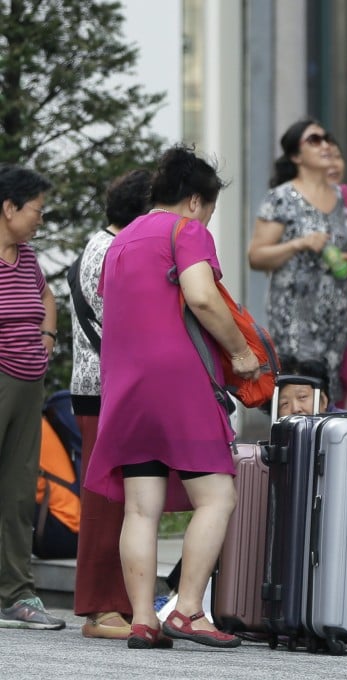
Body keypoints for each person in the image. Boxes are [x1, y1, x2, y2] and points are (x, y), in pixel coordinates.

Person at [85, 145, 261, 649]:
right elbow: (202, 296)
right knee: (219, 495)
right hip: (178, 380)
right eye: (208, 206)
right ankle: (187, 609)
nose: (207, 217)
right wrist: (240, 353)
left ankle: (142, 619)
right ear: (194, 200)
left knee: (141, 505)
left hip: (125, 384)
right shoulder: (188, 231)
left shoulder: (120, 242)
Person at [69, 168, 152, 640]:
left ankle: (118, 603)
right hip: (106, 389)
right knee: (106, 499)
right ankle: (102, 609)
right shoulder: (111, 251)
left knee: (122, 498)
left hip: (106, 387)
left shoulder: (103, 243)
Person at [249, 118, 347, 404]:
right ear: (295, 155)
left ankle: (329, 448)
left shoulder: (344, 195)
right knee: (300, 391)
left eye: (326, 138)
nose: (325, 145)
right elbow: (256, 256)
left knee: (330, 391)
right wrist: (299, 243)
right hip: (293, 316)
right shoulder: (281, 198)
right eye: (314, 140)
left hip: (336, 317)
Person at [0, 164, 65, 631]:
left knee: (20, 491)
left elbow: (47, 298)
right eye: (36, 211)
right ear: (8, 207)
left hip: (28, 384)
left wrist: (47, 334)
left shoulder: (26, 257)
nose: (40, 219)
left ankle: (16, 593)